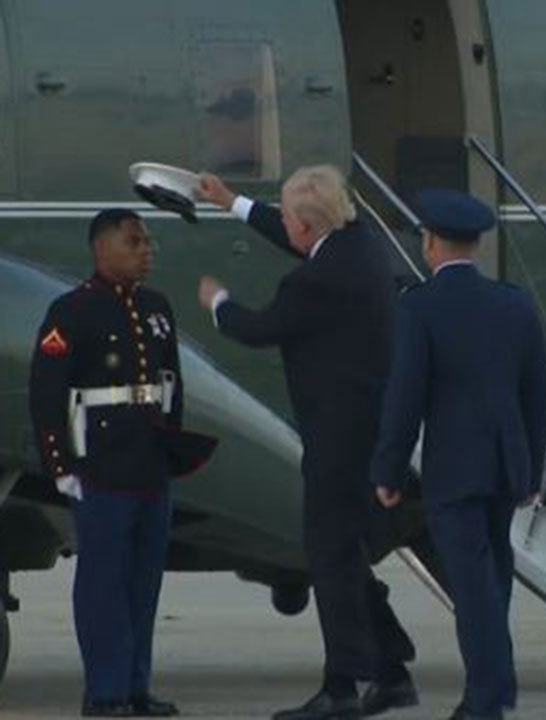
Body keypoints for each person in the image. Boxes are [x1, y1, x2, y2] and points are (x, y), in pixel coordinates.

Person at [195, 167, 417, 719]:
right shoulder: (358, 244)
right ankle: (390, 669)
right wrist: (233, 202)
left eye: (290, 216)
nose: (286, 226)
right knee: (347, 556)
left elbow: (259, 328)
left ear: (307, 226)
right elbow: (296, 233)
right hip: (370, 433)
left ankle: (341, 687)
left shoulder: (312, 284)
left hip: (338, 443)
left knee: (329, 557)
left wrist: (219, 302)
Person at [369, 189, 546, 720]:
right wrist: (530, 470)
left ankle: (487, 700)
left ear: (429, 242)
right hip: (506, 465)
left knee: (473, 590)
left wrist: (388, 468)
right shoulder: (514, 302)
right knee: (492, 581)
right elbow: (535, 397)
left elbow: (405, 396)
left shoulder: (420, 306)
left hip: (455, 469)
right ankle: (495, 689)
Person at [28, 209, 216, 717]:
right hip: (102, 466)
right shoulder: (71, 311)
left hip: (150, 462)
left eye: (148, 241)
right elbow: (46, 393)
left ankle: (136, 687)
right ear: (102, 249)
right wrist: (59, 464)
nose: (146, 250)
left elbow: (169, 383)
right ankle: (105, 693)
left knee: (142, 583)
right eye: (135, 242)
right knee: (103, 584)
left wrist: (172, 448)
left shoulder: (156, 308)